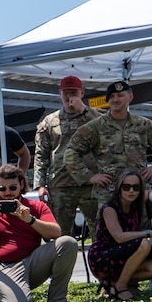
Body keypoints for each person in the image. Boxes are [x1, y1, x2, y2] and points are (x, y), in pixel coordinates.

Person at [0, 164, 80, 302]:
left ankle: (56, 300)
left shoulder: (36, 207)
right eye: (2, 189)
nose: (7, 193)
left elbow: (56, 233)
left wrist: (30, 220)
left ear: (21, 185)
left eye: (13, 188)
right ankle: (0, 298)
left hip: (31, 263)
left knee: (68, 243)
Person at [56, 79, 152, 213]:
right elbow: (71, 153)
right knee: (109, 231)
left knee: (139, 231)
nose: (115, 99)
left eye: (120, 95)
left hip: (137, 192)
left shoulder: (143, 124)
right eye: (112, 97)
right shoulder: (95, 127)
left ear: (130, 97)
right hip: (108, 193)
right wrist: (89, 177)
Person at [33, 76, 102, 237]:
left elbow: (108, 132)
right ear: (60, 94)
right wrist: (40, 184)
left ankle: (102, 262)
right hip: (61, 184)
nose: (70, 97)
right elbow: (41, 155)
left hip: (90, 183)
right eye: (66, 93)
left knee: (100, 231)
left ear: (82, 93)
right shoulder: (50, 122)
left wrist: (84, 110)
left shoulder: (94, 116)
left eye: (74, 92)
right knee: (60, 235)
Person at [88, 171, 152, 301]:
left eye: (136, 187)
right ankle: (121, 287)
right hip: (103, 257)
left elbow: (149, 193)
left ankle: (112, 283)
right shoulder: (110, 208)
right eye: (126, 187)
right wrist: (150, 233)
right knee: (143, 243)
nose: (131, 191)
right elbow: (119, 237)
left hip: (124, 254)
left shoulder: (134, 202)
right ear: (119, 189)